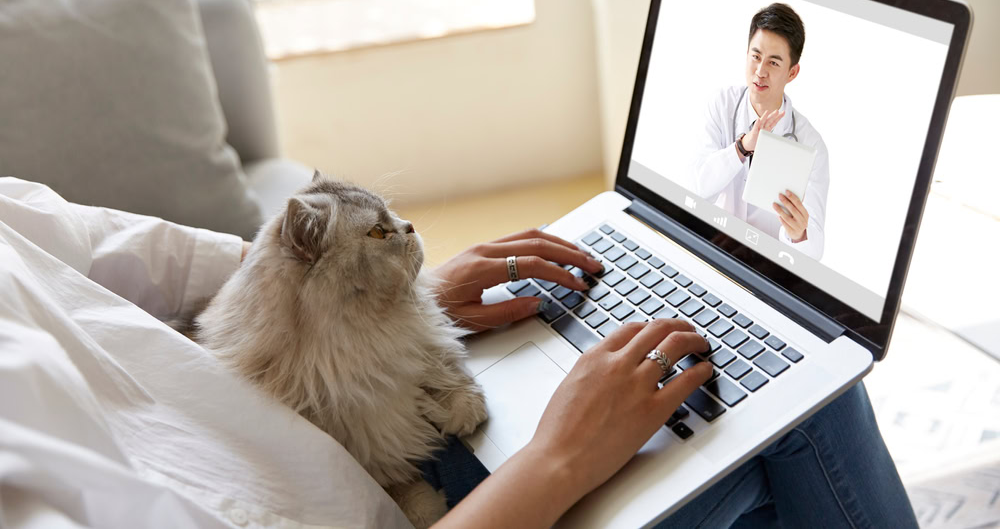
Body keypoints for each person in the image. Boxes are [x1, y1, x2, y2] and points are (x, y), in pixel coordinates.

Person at [0, 177, 914, 528]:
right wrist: (556, 462)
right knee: (805, 392)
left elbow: (128, 254)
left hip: (343, 442)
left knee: (752, 408)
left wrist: (384, 312)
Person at [693, 3, 830, 261]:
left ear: (792, 72)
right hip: (711, 252)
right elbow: (696, 189)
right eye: (755, 56)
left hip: (764, 269)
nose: (760, 71)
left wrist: (799, 234)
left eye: (773, 63)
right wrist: (742, 147)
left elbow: (814, 251)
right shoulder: (721, 105)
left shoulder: (812, 145)